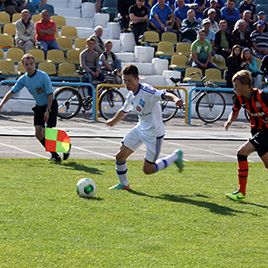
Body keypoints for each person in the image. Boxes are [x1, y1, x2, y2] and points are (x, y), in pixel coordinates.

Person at [106, 64, 184, 190]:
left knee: (148, 170)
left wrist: (176, 99)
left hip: (155, 133)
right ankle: (124, 185)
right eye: (124, 81)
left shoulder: (148, 91)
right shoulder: (131, 95)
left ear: (137, 79)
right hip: (140, 128)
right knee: (119, 156)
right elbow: (124, 110)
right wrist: (113, 121)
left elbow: (165, 94)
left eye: (129, 81)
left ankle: (175, 157)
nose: (126, 84)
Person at [0, 54, 70, 162]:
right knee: (38, 134)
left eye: (31, 64)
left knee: (47, 132)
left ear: (35, 64)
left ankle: (65, 144)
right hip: (39, 106)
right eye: (26, 64)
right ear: (23, 66)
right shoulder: (23, 79)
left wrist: (48, 110)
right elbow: (12, 92)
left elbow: (50, 95)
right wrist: (2, 104)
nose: (29, 66)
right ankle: (55, 155)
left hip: (50, 104)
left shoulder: (43, 76)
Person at [224, 70, 268, 201]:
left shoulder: (263, 96)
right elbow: (235, 111)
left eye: (236, 85)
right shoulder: (239, 97)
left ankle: (241, 192)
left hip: (266, 132)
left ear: (246, 85)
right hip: (257, 131)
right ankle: (241, 192)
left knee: (242, 152)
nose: (234, 88)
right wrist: (230, 120)